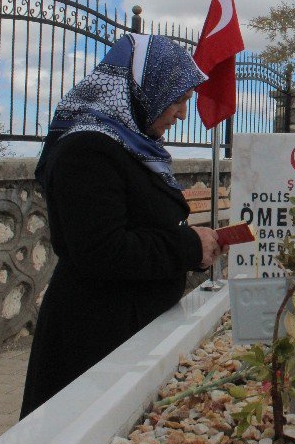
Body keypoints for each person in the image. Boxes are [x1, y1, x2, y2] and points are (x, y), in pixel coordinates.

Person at [20, 33, 222, 418]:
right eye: (178, 100)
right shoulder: (88, 150)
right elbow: (102, 250)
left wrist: (191, 247)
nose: (182, 114)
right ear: (145, 89)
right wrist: (188, 248)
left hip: (128, 332)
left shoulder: (132, 146)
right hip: (94, 342)